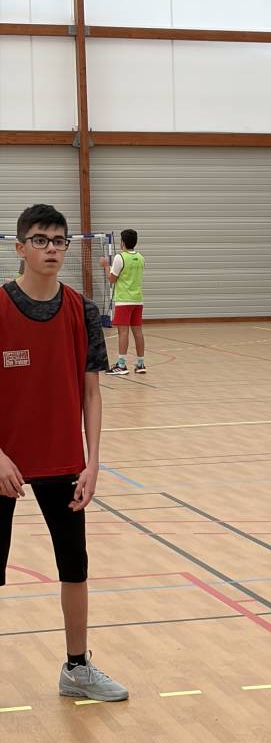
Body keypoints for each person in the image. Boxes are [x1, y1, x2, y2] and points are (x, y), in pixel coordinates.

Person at [0, 204, 128, 702]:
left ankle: (77, 669)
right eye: (40, 240)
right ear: (20, 247)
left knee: (74, 566)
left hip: (63, 461)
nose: (51, 248)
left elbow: (91, 393)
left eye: (59, 240)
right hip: (4, 462)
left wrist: (93, 462)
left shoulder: (83, 310)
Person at [100, 227, 146, 374]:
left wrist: (106, 266)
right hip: (138, 300)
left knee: (123, 332)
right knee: (138, 332)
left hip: (124, 300)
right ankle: (141, 364)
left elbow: (112, 279)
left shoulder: (120, 257)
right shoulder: (141, 257)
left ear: (123, 242)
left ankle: (121, 365)